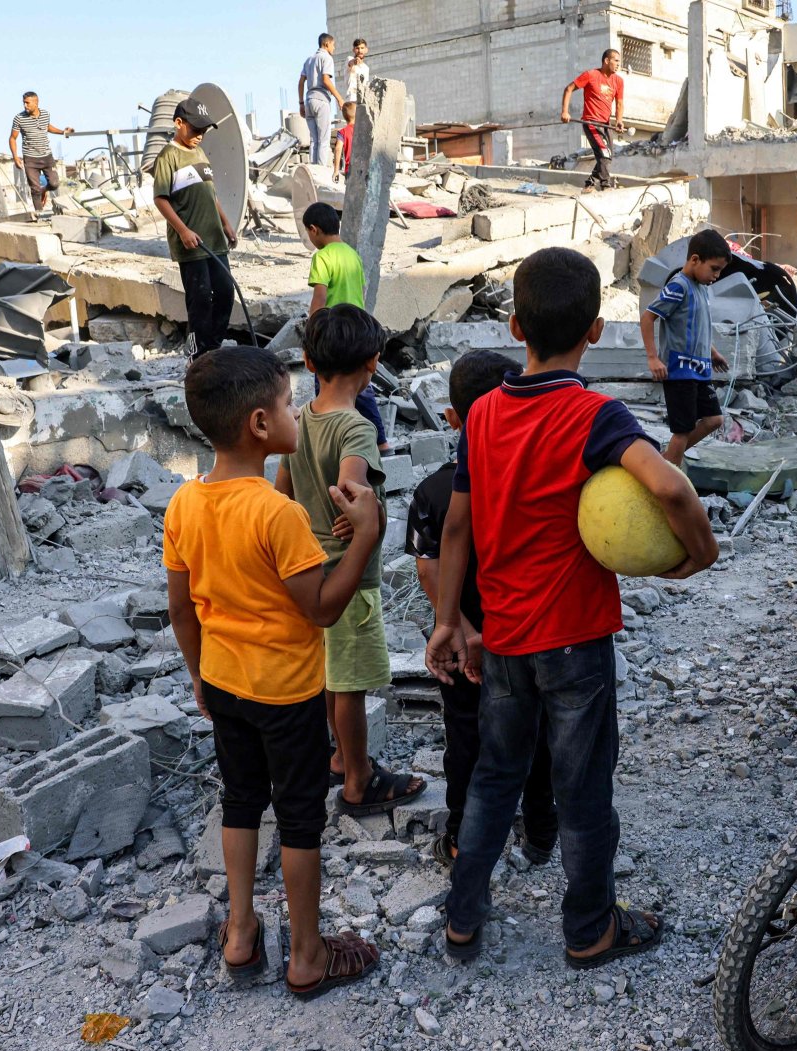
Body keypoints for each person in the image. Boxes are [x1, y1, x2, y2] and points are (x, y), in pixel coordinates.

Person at [427, 246, 719, 969]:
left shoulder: (484, 414)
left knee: (495, 778)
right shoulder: (597, 416)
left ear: (516, 326)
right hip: (574, 641)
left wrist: (447, 620)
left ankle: (463, 918)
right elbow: (673, 489)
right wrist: (700, 553)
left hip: (503, 636)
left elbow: (456, 525)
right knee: (582, 789)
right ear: (594, 331)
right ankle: (590, 928)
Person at [166, 347, 383, 997]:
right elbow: (319, 609)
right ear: (261, 425)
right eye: (291, 404)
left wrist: (199, 674)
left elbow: (182, 608)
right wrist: (366, 536)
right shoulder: (278, 514)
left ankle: (240, 932)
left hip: (225, 684)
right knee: (297, 820)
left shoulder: (184, 503)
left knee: (239, 801)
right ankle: (309, 955)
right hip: (287, 693)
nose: (298, 413)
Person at [406, 350, 558, 869]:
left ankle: (459, 840)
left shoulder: (433, 490)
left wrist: (462, 629)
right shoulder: (534, 482)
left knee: (467, 738)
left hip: (462, 639)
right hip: (528, 632)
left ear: (452, 419)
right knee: (538, 735)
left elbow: (429, 570)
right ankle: (541, 833)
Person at [277, 304, 424, 816]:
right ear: (373, 362)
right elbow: (353, 487)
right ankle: (360, 780)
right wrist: (363, 511)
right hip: (350, 577)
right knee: (353, 684)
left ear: (308, 362)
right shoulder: (356, 426)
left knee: (327, 674)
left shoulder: (298, 420)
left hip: (310, 571)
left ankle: (340, 757)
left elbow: (283, 494)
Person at [153, 96, 238, 358]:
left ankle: (212, 347)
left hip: (214, 239)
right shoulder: (168, 156)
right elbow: (160, 198)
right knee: (199, 301)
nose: (200, 135)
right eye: (195, 129)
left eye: (203, 130)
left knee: (225, 291)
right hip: (192, 244)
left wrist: (225, 223)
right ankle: (195, 355)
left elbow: (210, 194)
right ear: (179, 123)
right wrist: (183, 230)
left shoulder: (200, 154)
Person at [302, 203, 388, 448]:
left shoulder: (322, 257)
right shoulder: (352, 254)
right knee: (360, 387)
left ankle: (328, 438)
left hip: (333, 333)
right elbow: (359, 292)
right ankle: (381, 441)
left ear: (314, 229)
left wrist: (312, 333)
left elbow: (319, 298)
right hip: (357, 331)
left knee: (326, 385)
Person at [642, 229, 731, 466]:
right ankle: (672, 471)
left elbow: (697, 326)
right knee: (682, 430)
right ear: (694, 260)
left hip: (700, 370)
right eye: (714, 268)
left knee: (714, 419)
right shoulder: (678, 286)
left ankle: (668, 459)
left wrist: (712, 353)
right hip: (680, 371)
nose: (717, 275)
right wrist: (653, 358)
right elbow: (648, 317)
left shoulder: (702, 288)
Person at [561, 50, 625, 192]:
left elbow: (619, 103)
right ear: (606, 61)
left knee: (609, 156)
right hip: (591, 122)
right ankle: (605, 185)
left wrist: (619, 120)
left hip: (606, 124)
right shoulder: (591, 75)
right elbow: (568, 89)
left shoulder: (618, 81)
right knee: (604, 154)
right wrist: (565, 112)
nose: (618, 64)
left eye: (619, 62)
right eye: (615, 61)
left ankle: (590, 182)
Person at [9, 91, 74, 218]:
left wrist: (62, 132)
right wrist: (15, 157)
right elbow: (12, 138)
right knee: (35, 189)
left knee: (54, 184)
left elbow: (47, 127)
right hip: (30, 159)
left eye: (27, 103)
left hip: (46, 157)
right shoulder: (19, 118)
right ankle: (40, 215)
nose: (25, 106)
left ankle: (44, 190)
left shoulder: (45, 114)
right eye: (24, 103)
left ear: (36, 102)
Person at [299, 34, 342, 166]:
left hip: (309, 100)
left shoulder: (309, 60)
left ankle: (313, 171)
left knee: (314, 140)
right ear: (327, 44)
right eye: (333, 45)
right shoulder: (326, 58)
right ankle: (321, 170)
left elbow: (301, 82)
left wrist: (301, 103)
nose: (334, 48)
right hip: (321, 99)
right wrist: (339, 98)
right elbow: (325, 79)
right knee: (324, 140)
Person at [333, 102, 357, 180]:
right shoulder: (363, 131)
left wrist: (336, 170)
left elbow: (338, 149)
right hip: (364, 168)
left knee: (351, 191)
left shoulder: (342, 132)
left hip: (349, 169)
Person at [344, 38, 370, 104]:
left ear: (366, 50)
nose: (360, 50)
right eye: (357, 48)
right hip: (351, 98)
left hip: (362, 100)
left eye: (362, 48)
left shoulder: (366, 68)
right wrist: (354, 61)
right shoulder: (349, 59)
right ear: (353, 50)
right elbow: (350, 63)